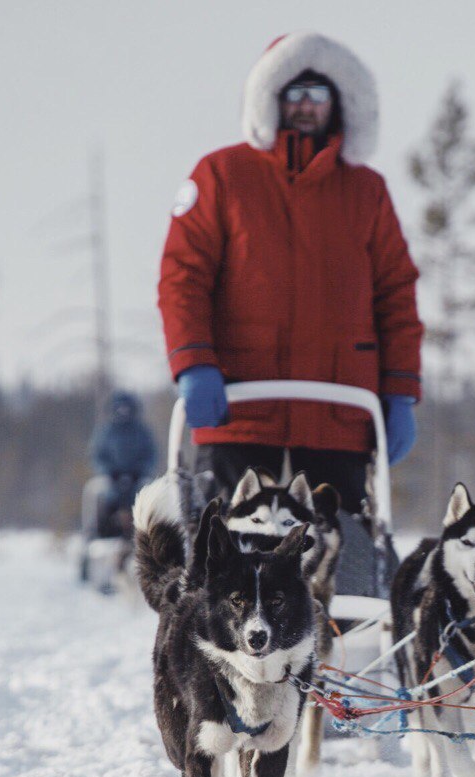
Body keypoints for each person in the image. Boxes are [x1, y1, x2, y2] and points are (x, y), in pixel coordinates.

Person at [158, 32, 423, 515]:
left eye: (318, 94)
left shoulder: (367, 191)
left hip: (338, 414)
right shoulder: (221, 175)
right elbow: (183, 276)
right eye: (294, 93)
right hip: (239, 408)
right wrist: (193, 363)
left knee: (342, 566)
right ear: (271, 100)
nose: (306, 106)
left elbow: (396, 295)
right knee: (228, 559)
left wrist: (400, 390)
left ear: (339, 103)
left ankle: (354, 588)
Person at [88, 390, 157, 536]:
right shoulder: (105, 432)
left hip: (138, 478)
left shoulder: (142, 431)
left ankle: (145, 531)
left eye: (126, 408)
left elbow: (151, 455)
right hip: (111, 478)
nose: (123, 412)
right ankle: (97, 532)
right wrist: (109, 472)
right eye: (120, 408)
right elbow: (97, 456)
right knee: (97, 492)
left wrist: (138, 471)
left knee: (146, 494)